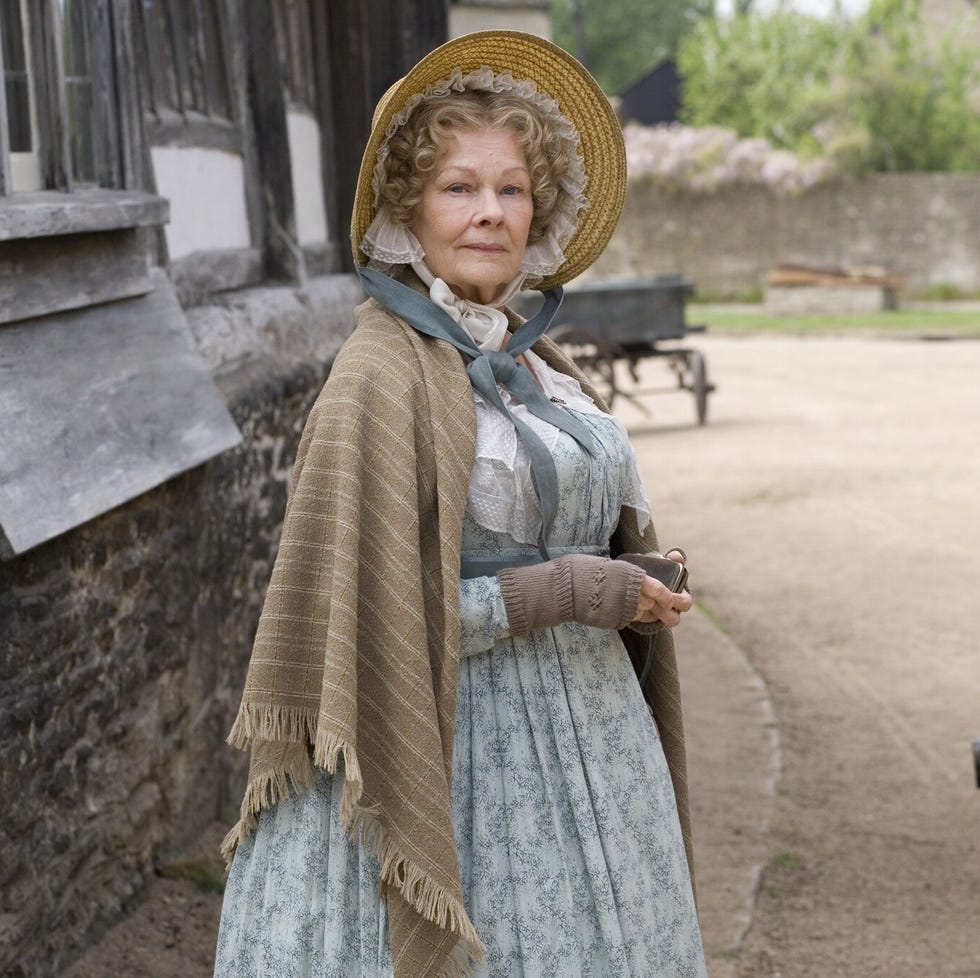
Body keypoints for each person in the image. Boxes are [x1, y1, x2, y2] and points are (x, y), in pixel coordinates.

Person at [214, 29, 707, 978]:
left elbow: (574, 529)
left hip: (598, 744)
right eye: (459, 188)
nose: (490, 213)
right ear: (409, 210)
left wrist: (632, 576)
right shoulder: (376, 377)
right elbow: (368, 630)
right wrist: (568, 590)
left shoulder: (540, 363)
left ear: (541, 208)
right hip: (453, 751)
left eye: (511, 189)